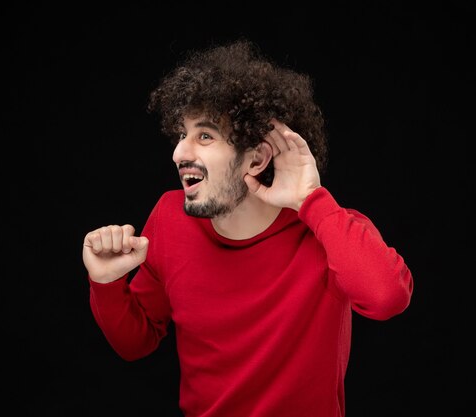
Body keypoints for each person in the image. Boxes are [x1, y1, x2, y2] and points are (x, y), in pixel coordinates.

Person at [81, 38, 413, 417]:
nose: (179, 153)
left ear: (256, 158)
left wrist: (312, 201)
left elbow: (387, 296)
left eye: (204, 136)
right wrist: (106, 284)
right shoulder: (169, 217)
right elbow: (135, 342)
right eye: (181, 134)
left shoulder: (328, 230)